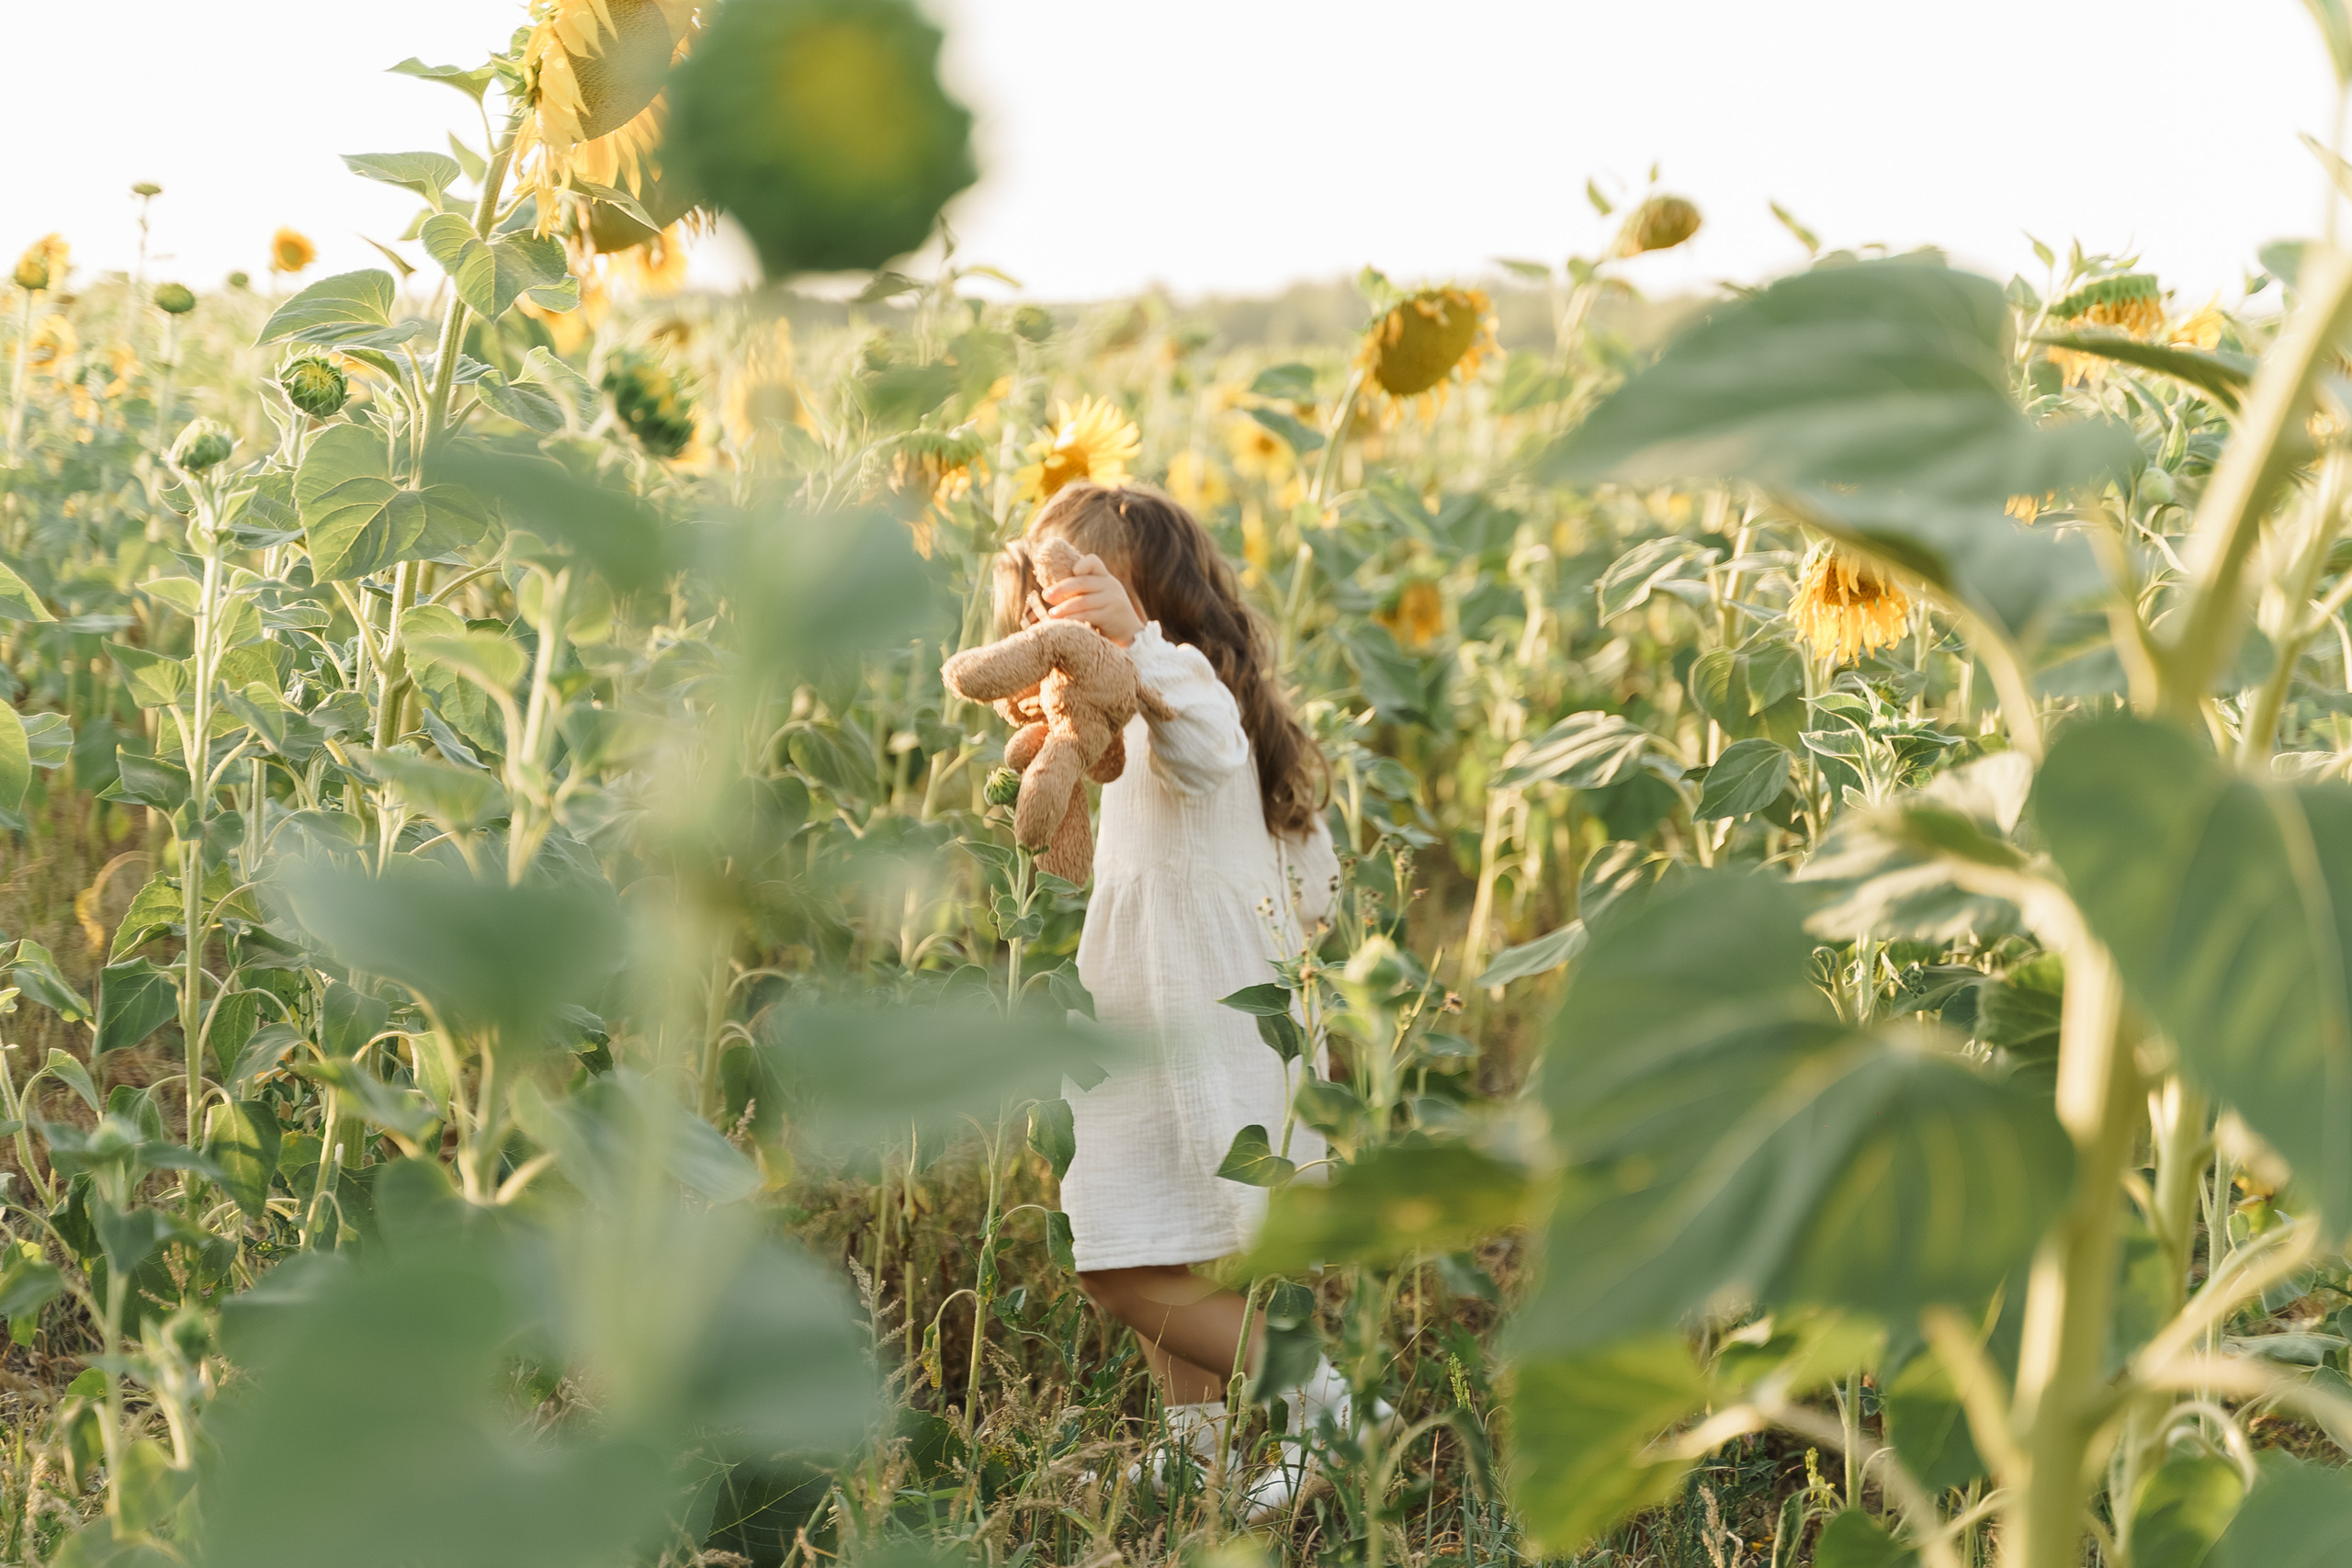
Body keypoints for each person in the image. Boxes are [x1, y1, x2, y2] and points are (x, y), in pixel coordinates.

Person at [986, 480, 1367, 1517]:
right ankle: (1197, 1444)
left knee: (1118, 1264)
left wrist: (1138, 650)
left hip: (1195, 1019)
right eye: (1040, 602)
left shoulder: (1186, 692)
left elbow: (1204, 746)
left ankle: (1320, 1407)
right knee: (1153, 1235)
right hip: (1158, 1010)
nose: (1046, 619)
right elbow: (1315, 881)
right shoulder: (1133, 718)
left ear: (1141, 601)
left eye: (1073, 596)